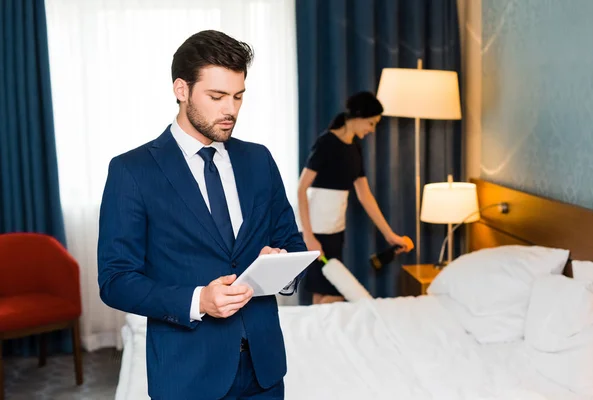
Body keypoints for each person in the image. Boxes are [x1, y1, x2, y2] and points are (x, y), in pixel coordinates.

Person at [97, 30, 306, 400]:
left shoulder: (259, 160)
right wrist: (198, 301)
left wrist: (280, 265)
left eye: (238, 96)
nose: (231, 109)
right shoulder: (132, 171)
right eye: (217, 96)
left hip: (265, 370)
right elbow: (116, 280)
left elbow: (291, 242)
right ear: (181, 89)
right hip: (186, 374)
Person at [297, 92, 415, 305]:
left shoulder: (354, 147)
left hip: (335, 231)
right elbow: (301, 189)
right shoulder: (326, 144)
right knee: (332, 294)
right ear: (357, 117)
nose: (372, 129)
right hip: (315, 232)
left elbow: (365, 195)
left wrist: (389, 235)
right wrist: (308, 236)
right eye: (371, 123)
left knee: (322, 294)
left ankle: (320, 337)